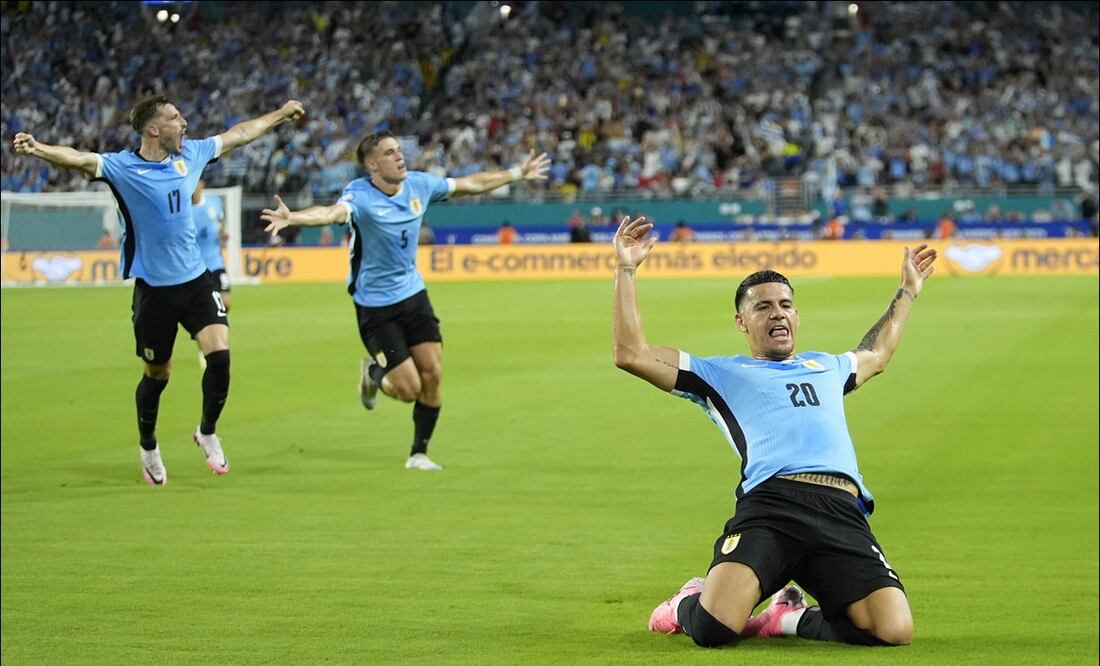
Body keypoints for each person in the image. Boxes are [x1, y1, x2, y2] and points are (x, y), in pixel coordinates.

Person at [611, 216, 937, 649]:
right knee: (714, 630)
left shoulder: (827, 367)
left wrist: (908, 290)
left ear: (797, 315)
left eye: (785, 304)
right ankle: (686, 602)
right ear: (741, 322)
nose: (777, 312)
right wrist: (625, 270)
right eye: (762, 306)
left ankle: (789, 618)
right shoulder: (718, 374)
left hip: (841, 510)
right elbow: (631, 354)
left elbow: (877, 352)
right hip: (771, 507)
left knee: (893, 630)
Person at [12, 94, 304, 485]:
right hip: (154, 291)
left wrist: (281, 115)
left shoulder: (193, 155)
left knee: (219, 357)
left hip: (197, 280)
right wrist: (39, 149)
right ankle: (148, 444)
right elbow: (79, 158)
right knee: (157, 373)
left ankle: (208, 430)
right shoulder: (122, 167)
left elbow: (239, 134)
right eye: (174, 117)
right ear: (153, 129)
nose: (184, 122)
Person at [260, 131, 549, 471]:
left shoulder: (419, 185)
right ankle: (373, 373)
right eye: (389, 153)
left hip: (413, 295)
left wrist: (516, 173)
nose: (400, 157)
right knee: (409, 389)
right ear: (372, 165)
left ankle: (418, 454)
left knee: (434, 373)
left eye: (399, 150)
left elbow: (471, 184)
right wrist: (294, 218)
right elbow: (331, 213)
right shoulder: (360, 196)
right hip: (375, 306)